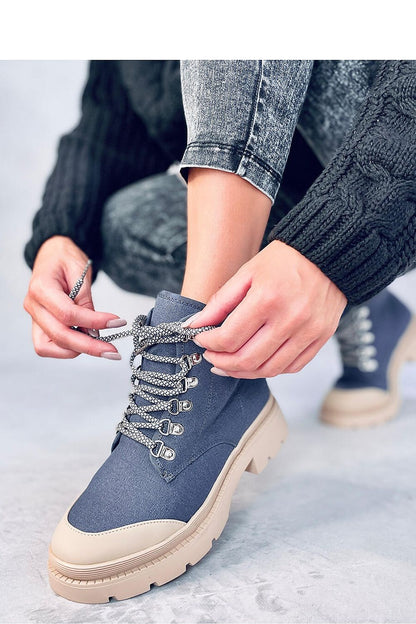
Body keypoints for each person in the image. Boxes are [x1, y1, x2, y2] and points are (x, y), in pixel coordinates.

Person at [23, 60, 416, 603]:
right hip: (279, 202)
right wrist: (60, 233)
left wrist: (333, 251)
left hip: (389, 148)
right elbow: (109, 120)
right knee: (120, 222)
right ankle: (361, 311)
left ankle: (206, 366)